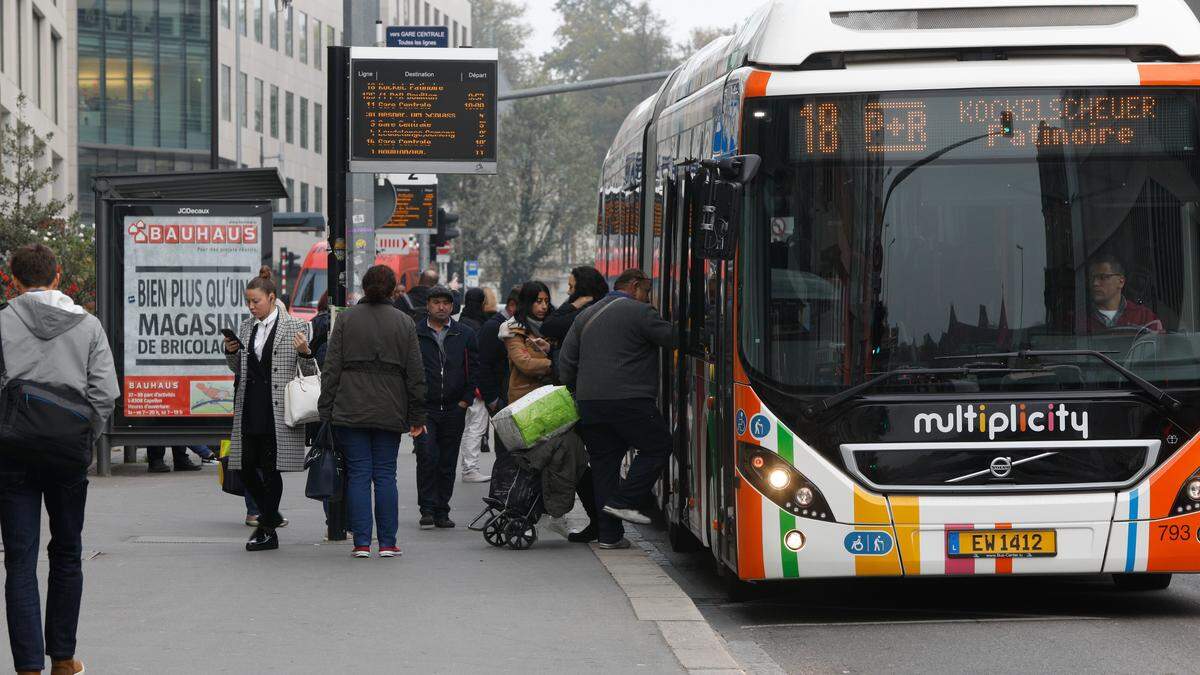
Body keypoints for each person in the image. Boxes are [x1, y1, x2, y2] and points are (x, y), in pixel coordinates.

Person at [0, 244, 119, 675]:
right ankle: (64, 659)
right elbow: (105, 393)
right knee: (67, 552)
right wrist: (84, 437)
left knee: (19, 560)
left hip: (11, 454)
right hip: (68, 455)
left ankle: (28, 666)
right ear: (57, 276)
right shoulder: (88, 326)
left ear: (14, 279)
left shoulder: (2, 322)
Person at [559, 268, 673, 550]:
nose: (647, 297)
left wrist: (584, 389)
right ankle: (624, 501)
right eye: (646, 291)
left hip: (590, 405)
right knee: (658, 446)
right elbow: (675, 339)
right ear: (634, 286)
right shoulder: (640, 312)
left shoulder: (584, 316)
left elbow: (566, 364)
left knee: (604, 466)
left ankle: (610, 537)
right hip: (630, 400)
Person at [319, 265, 427, 558]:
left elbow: (332, 368)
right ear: (393, 289)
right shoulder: (404, 323)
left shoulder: (346, 320)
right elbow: (416, 374)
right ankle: (389, 543)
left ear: (364, 288)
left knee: (357, 474)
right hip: (390, 408)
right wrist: (417, 416)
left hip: (350, 407)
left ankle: (362, 543)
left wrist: (325, 409)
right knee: (385, 475)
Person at [223, 267, 317, 552]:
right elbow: (238, 369)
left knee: (270, 467)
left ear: (272, 298)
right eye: (248, 302)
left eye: (256, 301)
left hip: (278, 409)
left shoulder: (296, 327)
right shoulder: (244, 327)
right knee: (245, 466)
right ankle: (271, 515)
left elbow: (310, 371)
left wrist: (305, 353)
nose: (251, 307)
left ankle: (267, 531)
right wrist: (231, 352)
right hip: (250, 405)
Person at [500, 281, 597, 541]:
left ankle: (566, 515)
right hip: (529, 408)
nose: (543, 306)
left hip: (556, 406)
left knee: (571, 458)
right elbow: (524, 363)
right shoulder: (512, 329)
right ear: (526, 303)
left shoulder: (552, 328)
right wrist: (554, 362)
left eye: (545, 301)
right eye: (537, 301)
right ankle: (539, 511)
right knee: (549, 460)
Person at [414, 286, 480, 529]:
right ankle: (427, 508)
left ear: (453, 306)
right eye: (436, 302)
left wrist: (465, 400)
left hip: (454, 407)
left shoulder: (464, 333)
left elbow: (474, 368)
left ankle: (442, 508)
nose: (441, 307)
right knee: (427, 455)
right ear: (428, 305)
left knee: (448, 460)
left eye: (446, 303)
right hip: (425, 408)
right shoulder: (416, 332)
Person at [477, 285, 521, 461]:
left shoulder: (516, 326)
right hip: (500, 399)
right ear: (512, 306)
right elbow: (483, 365)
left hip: (510, 397)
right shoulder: (493, 327)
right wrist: (493, 401)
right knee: (505, 453)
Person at [456, 288, 491, 483]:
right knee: (475, 426)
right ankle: (470, 468)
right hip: (475, 385)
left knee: (467, 426)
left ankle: (468, 466)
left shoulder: (462, 322)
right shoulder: (479, 325)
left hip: (462, 383)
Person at [1087, 254, 1162, 332]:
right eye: (1091, 278)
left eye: (1102, 277)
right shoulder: (1078, 319)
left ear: (1121, 281)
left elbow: (1159, 342)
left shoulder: (1145, 317)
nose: (1095, 283)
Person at [541, 266, 609, 344]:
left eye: (571, 287)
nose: (568, 292)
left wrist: (573, 305)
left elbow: (547, 326)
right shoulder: (600, 305)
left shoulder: (584, 312)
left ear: (582, 289)